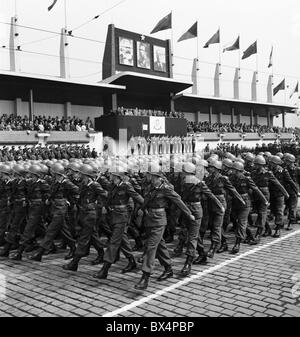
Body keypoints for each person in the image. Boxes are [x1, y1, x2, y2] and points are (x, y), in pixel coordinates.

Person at [134, 163, 195, 291]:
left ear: (154, 175)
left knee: (150, 247)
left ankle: (145, 277)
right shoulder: (151, 187)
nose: (146, 176)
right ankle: (168, 269)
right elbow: (147, 200)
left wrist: (189, 214)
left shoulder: (166, 188)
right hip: (150, 219)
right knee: (160, 246)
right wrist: (142, 209)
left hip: (159, 221)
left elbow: (178, 201)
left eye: (148, 174)